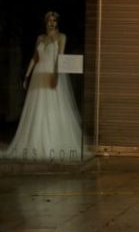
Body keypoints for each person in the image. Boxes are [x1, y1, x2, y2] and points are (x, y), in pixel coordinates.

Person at [5, 11, 82, 161]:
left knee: (52, 107)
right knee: (37, 108)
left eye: (54, 20)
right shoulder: (40, 38)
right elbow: (34, 58)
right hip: (38, 74)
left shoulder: (61, 37)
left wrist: (56, 74)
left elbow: (60, 57)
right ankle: (35, 141)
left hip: (51, 72)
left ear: (57, 22)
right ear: (45, 22)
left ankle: (53, 141)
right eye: (49, 20)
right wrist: (27, 75)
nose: (51, 23)